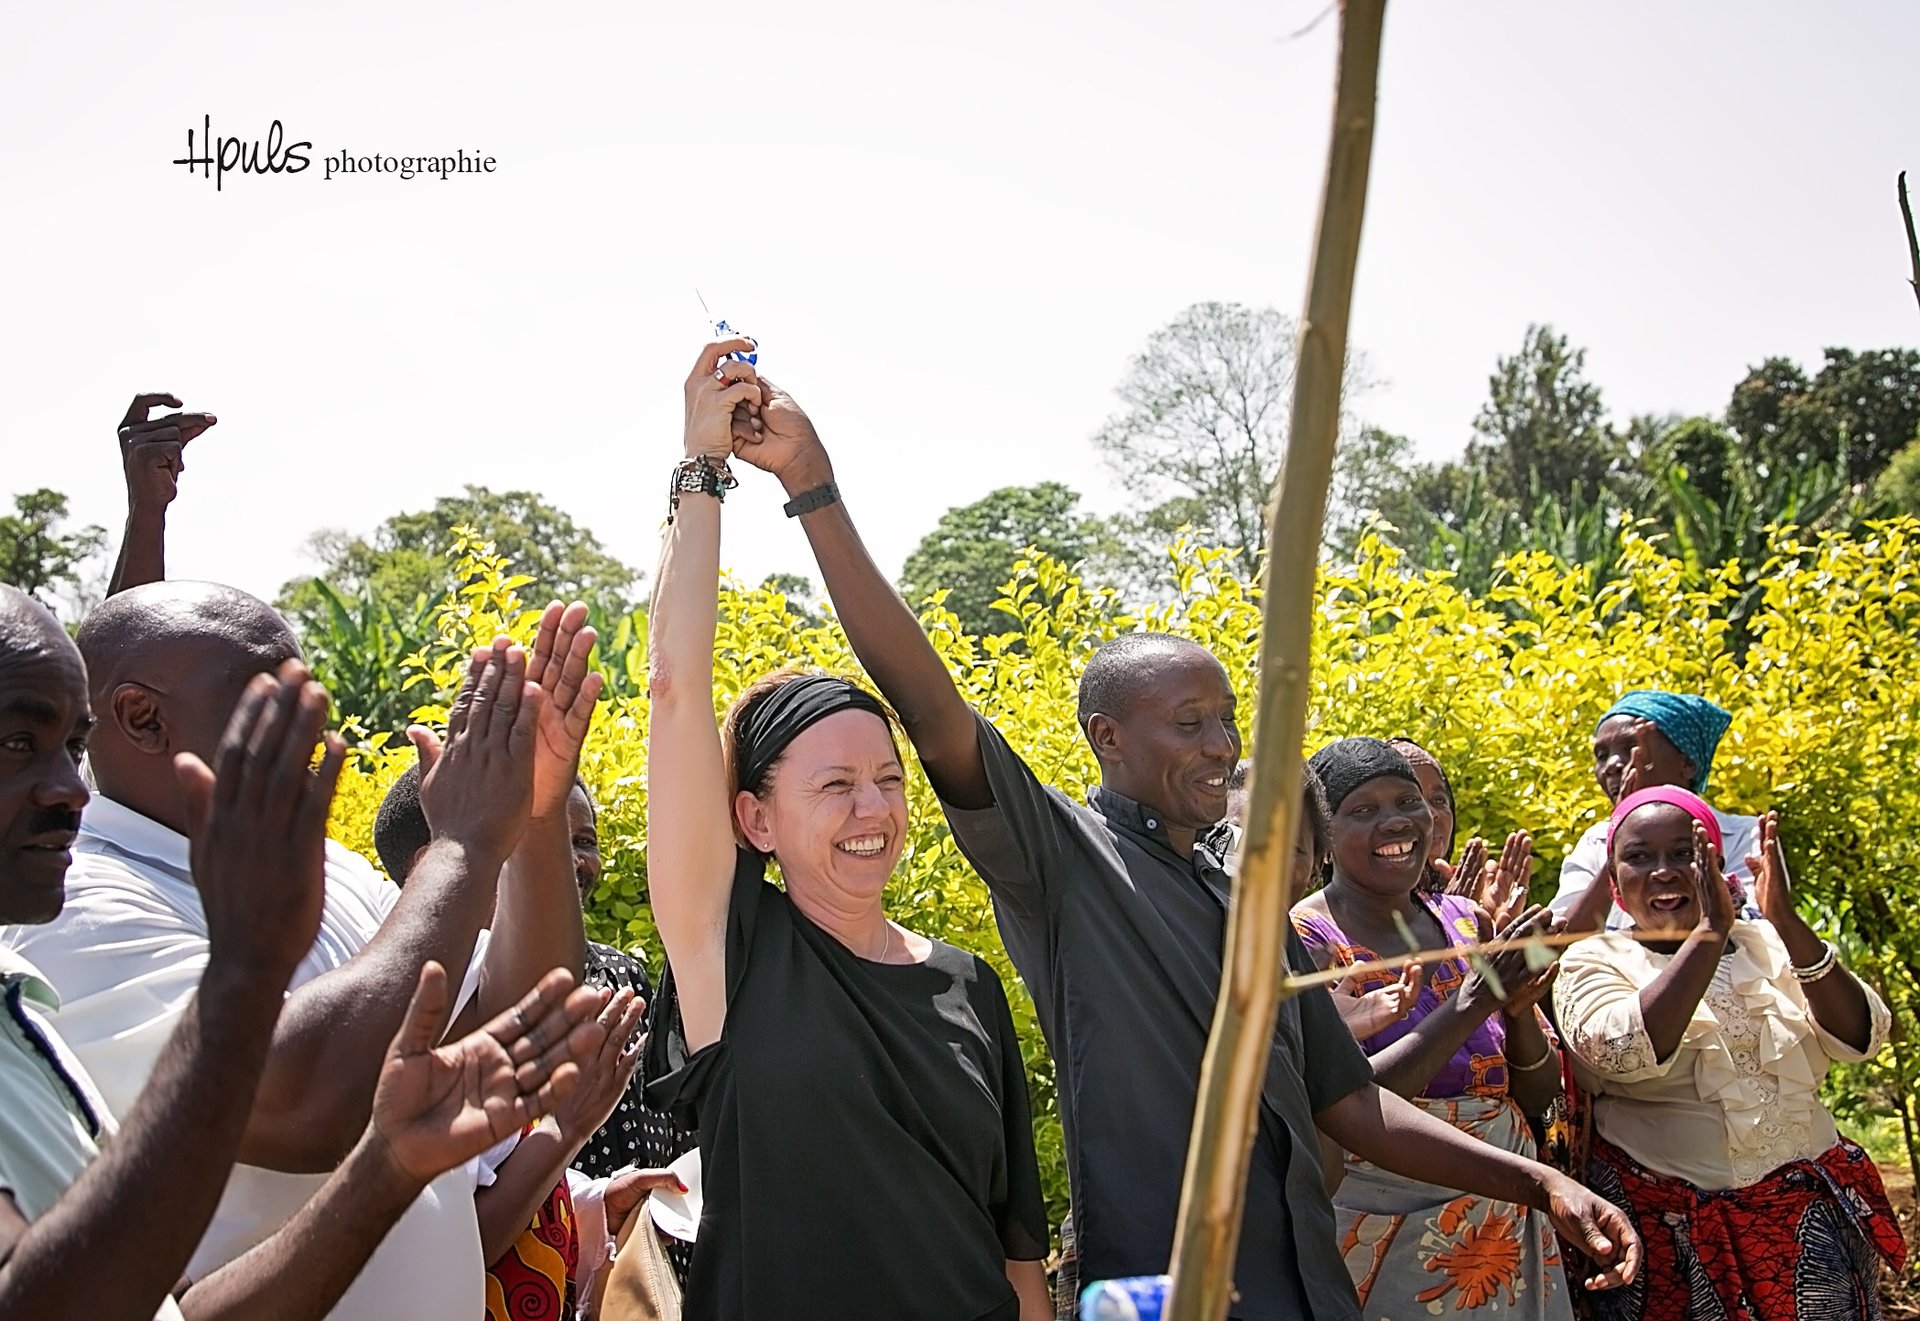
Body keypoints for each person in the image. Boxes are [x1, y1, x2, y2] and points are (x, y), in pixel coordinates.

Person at [724, 353, 1640, 1320]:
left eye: (1226, 718)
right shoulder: (1065, 864)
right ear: (1107, 738)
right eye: (1190, 722)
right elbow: (928, 697)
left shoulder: (1249, 905)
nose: (1222, 746)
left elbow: (1348, 1100)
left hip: (1308, 1294)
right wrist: (813, 488)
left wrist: (1536, 1180)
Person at [0, 584, 611, 1320]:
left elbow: (525, 1007)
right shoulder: (76, 904)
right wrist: (462, 844)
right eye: (277, 697)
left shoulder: (324, 862)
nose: (319, 733)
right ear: (143, 716)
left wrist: (537, 812)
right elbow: (309, 1103)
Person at [642, 340, 1051, 1320]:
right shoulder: (728, 950)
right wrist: (702, 470)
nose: (873, 809)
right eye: (834, 786)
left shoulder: (968, 985)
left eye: (885, 779)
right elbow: (673, 690)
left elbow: (1018, 1256)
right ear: (755, 818)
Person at [1553, 786, 1903, 1320]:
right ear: (1615, 883)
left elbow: (1863, 1036)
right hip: (1669, 1236)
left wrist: (1783, 920)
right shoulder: (1594, 960)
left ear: (1718, 866)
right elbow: (1619, 1050)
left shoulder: (1769, 944)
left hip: (1807, 1230)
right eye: (1639, 857)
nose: (1665, 871)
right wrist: (1710, 932)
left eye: (1685, 854)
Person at [373, 768, 678, 1317]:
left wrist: (591, 1201)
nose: (563, 869)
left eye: (578, 843)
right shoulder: (412, 1016)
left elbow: (501, 1180)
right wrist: (567, 1127)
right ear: (434, 870)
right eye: (532, 842)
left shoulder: (510, 993)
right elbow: (451, 1244)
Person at [1292, 737, 1572, 1318]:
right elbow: (1343, 1105)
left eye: (1408, 802)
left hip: (1503, 1210)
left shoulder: (1469, 921)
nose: (1396, 823)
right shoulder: (1308, 942)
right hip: (1381, 1222)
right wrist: (1471, 1002)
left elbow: (1539, 1096)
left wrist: (1518, 1012)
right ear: (1323, 837)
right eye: (1362, 811)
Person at [1550, 690, 1759, 931]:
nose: (1612, 766)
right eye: (1602, 755)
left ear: (1687, 764)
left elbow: (1754, 929)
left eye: (1631, 748)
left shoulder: (1743, 835)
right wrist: (1619, 835)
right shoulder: (1595, 842)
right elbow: (1559, 942)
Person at [1387, 736, 1533, 925]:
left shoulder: (1475, 896)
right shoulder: (1350, 917)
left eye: (1439, 800)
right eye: (1410, 801)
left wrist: (1496, 929)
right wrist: (1449, 924)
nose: (1431, 814)